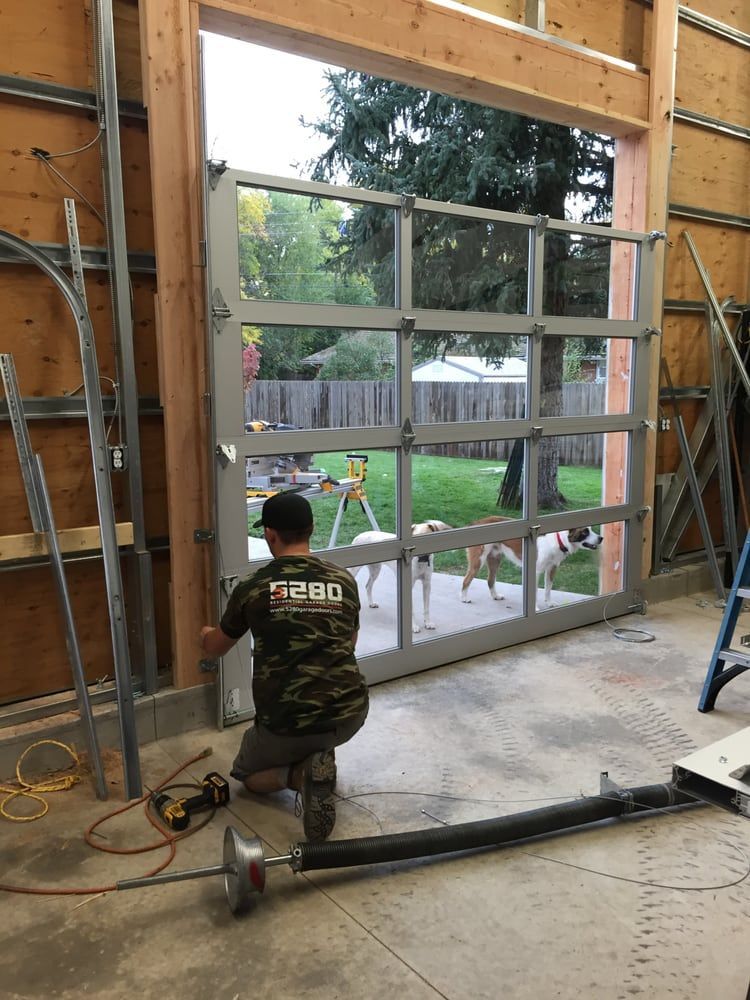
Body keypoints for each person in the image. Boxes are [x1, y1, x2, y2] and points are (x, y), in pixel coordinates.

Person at [199, 492, 368, 842]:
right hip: (349, 713)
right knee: (319, 725)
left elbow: (216, 648)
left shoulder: (254, 587)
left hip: (286, 722)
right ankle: (320, 755)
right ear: (311, 529)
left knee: (246, 776)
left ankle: (300, 775)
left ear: (271, 536)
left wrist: (204, 636)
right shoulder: (343, 580)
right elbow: (349, 644)